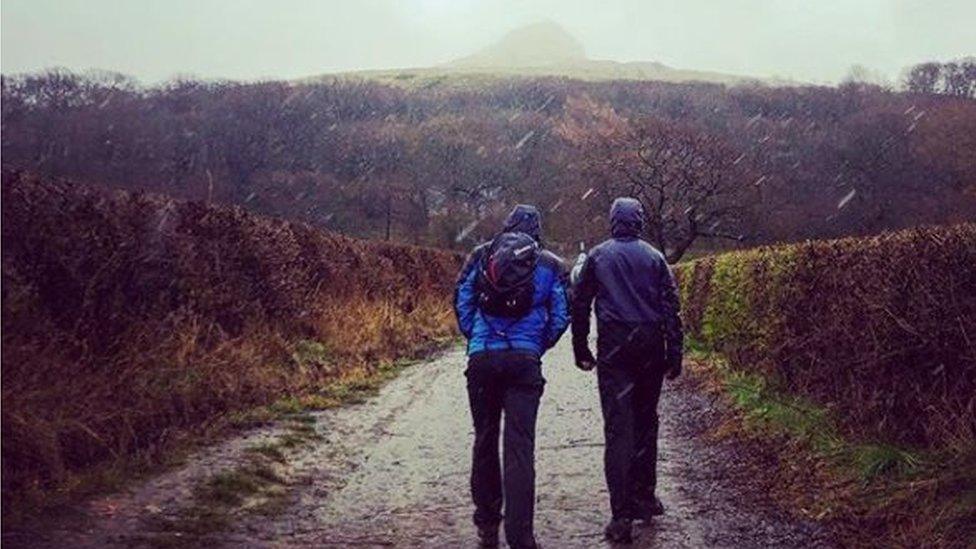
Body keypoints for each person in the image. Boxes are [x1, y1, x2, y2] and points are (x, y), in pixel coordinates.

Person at [454, 204, 570, 549]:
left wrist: (474, 338)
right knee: (520, 447)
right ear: (537, 230)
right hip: (524, 361)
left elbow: (461, 298)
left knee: (485, 437)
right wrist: (536, 345)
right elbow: (561, 312)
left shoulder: (481, 254)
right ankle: (521, 536)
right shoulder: (549, 263)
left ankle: (487, 520)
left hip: (482, 359)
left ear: (506, 226)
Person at [570, 197, 684, 544]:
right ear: (639, 222)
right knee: (647, 421)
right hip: (650, 343)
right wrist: (674, 355)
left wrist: (581, 348)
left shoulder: (599, 256)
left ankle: (621, 516)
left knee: (619, 428)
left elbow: (579, 303)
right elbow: (671, 309)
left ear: (612, 221)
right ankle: (645, 497)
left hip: (615, 345)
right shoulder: (654, 258)